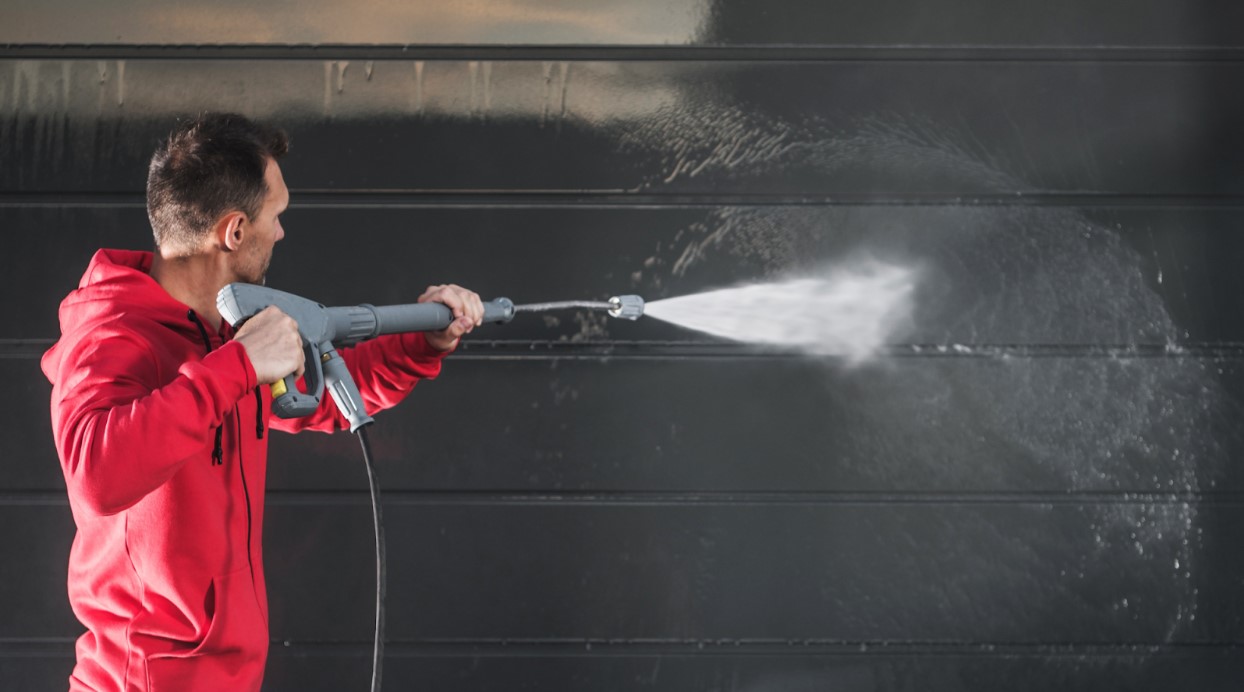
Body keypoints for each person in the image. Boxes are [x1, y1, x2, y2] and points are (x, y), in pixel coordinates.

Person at [40, 112, 483, 692]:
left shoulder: (226, 332)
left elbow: (324, 394)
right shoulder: (114, 334)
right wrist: (239, 365)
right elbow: (96, 475)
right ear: (234, 231)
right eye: (276, 216)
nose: (281, 233)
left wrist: (425, 342)